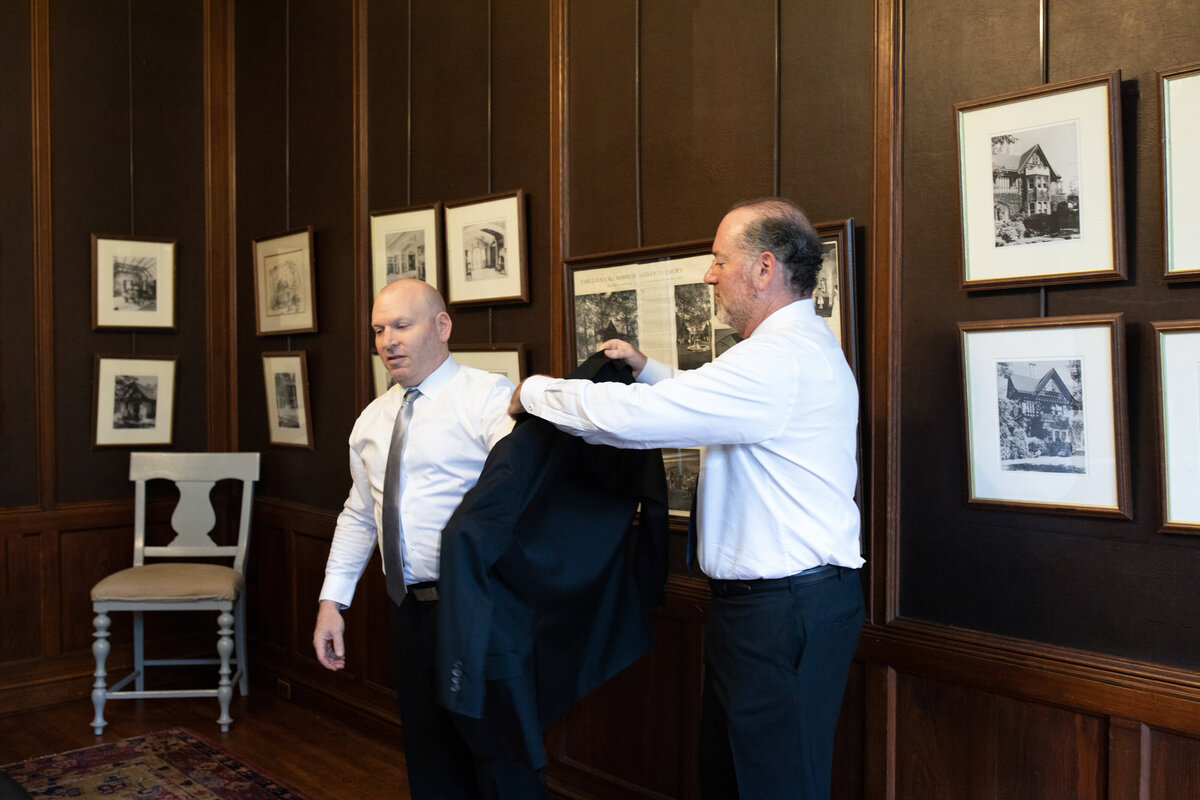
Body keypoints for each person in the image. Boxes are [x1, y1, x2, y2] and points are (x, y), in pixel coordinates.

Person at [509, 198, 865, 799]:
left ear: (764, 268)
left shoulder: (781, 360)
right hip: (762, 611)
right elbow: (711, 400)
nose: (709, 273)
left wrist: (540, 392)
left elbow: (636, 421)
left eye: (719, 259)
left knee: (775, 788)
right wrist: (650, 370)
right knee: (734, 779)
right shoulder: (782, 354)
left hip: (782, 615)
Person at [313, 279, 544, 799]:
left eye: (401, 325)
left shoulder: (485, 399)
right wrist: (333, 602)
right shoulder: (371, 420)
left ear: (441, 327)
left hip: (478, 610)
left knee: (500, 758)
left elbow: (524, 486)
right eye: (378, 330)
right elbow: (359, 514)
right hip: (409, 612)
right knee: (430, 756)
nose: (387, 341)